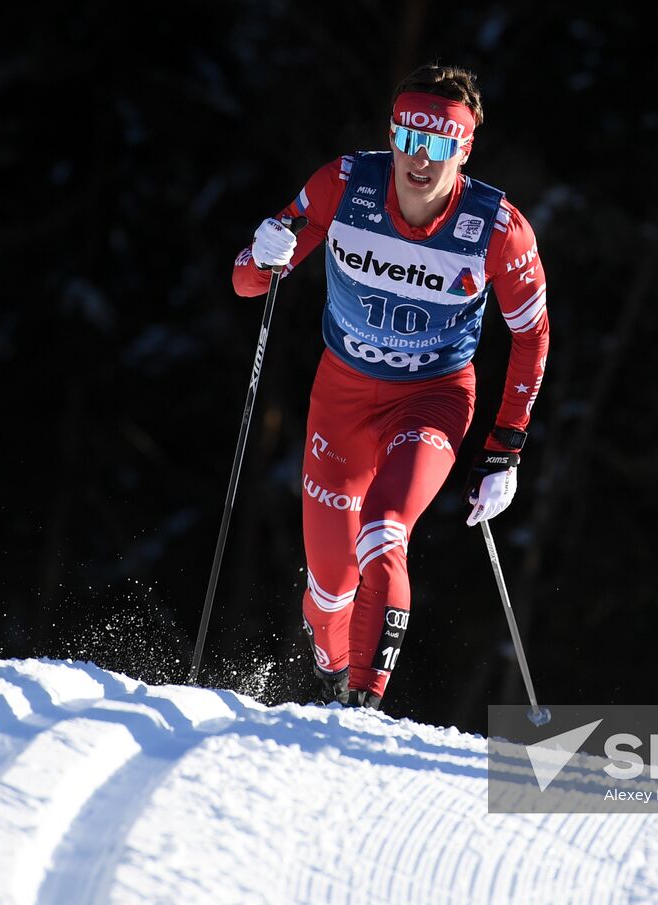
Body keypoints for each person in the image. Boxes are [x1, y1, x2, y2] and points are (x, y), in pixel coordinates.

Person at [231, 64, 549, 709]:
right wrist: (261, 254)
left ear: (463, 151)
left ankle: (363, 704)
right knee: (328, 593)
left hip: (433, 398)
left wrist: (505, 448)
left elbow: (532, 335)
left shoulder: (497, 229)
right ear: (394, 134)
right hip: (341, 397)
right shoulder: (344, 185)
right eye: (409, 138)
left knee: (384, 529)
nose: (419, 160)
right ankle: (334, 666)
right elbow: (248, 283)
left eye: (439, 146)